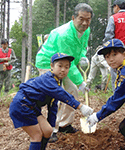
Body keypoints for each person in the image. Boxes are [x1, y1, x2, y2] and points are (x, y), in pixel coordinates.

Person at [9, 53, 93, 150]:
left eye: (66, 67)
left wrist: (52, 125)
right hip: (22, 105)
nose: (63, 69)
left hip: (32, 107)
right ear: (52, 66)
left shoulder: (57, 81)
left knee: (48, 130)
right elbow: (60, 93)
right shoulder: (48, 79)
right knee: (36, 135)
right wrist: (80, 106)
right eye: (60, 66)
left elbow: (53, 106)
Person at [35, 3, 93, 142]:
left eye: (88, 19)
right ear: (73, 18)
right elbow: (69, 64)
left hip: (64, 63)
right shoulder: (64, 34)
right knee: (56, 94)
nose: (84, 23)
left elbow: (82, 47)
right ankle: (52, 129)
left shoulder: (86, 30)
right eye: (81, 19)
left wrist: (83, 55)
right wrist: (81, 82)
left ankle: (64, 125)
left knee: (72, 90)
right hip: (48, 62)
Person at [102, 0, 125, 92]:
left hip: (116, 49)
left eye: (113, 7)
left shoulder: (114, 18)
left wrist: (105, 45)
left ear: (117, 7)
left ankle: (117, 93)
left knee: (116, 71)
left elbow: (108, 35)